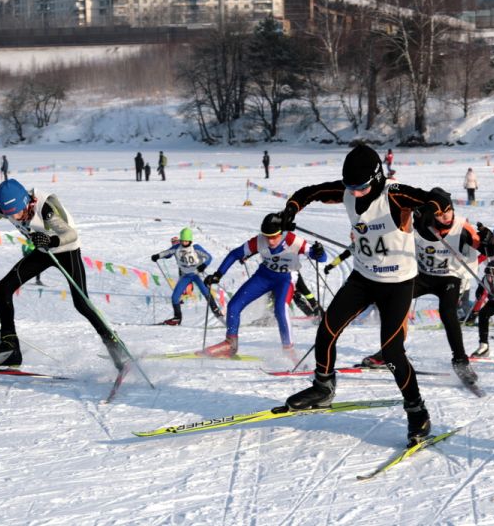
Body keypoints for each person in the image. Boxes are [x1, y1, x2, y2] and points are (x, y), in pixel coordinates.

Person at [274, 144, 432, 445]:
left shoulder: (394, 194)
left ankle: (417, 410)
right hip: (363, 277)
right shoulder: (348, 192)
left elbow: (433, 200)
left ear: (376, 178)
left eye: (360, 187)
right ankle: (323, 387)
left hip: (398, 283)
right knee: (328, 329)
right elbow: (309, 192)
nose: (354, 193)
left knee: (392, 352)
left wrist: (429, 213)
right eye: (350, 187)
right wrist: (290, 211)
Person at [0, 180, 130, 370]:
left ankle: (113, 342)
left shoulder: (44, 207)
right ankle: (10, 348)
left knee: (81, 303)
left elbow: (70, 233)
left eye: (16, 212)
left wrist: (51, 240)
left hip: (66, 249)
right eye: (9, 214)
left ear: (26, 202)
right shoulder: (9, 208)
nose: (15, 217)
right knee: (4, 287)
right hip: (43, 251)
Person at [365, 188, 482, 385]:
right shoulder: (420, 223)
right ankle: (391, 351)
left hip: (449, 278)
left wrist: (489, 244)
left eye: (448, 212)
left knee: (448, 312)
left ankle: (461, 361)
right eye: (439, 214)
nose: (445, 217)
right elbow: (392, 235)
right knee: (395, 301)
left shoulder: (462, 226)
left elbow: (483, 246)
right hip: (422, 276)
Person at [203, 214, 326, 356]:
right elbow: (234, 254)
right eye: (267, 236)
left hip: (285, 279)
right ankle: (231, 344)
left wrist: (319, 252)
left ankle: (289, 351)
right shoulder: (259, 241)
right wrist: (218, 275)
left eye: (274, 236)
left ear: (281, 232)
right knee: (233, 306)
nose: (270, 241)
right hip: (264, 276)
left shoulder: (293, 240)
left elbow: (321, 258)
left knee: (280, 310)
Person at [151, 228, 222, 326]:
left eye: (186, 240)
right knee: (175, 297)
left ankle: (216, 310)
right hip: (185, 276)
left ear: (190, 240)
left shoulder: (195, 248)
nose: (184, 242)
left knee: (205, 291)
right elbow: (167, 253)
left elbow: (209, 257)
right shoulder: (177, 248)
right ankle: (177, 318)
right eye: (182, 240)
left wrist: (204, 265)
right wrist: (157, 256)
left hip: (196, 274)